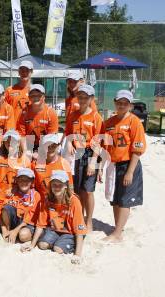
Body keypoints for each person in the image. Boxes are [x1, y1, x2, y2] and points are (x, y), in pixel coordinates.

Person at [102, 90, 146, 243]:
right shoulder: (109, 122)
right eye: (119, 102)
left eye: (125, 103)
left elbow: (137, 149)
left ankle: (117, 233)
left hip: (128, 164)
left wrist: (130, 172)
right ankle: (117, 228)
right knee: (115, 198)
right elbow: (104, 146)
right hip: (113, 165)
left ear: (130, 105)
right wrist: (101, 167)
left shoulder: (134, 122)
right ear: (115, 102)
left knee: (125, 199)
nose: (121, 105)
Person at [64, 84, 103, 232]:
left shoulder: (95, 117)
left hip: (90, 153)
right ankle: (79, 216)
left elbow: (99, 141)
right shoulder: (73, 115)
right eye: (80, 96)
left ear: (91, 99)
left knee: (88, 190)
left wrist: (93, 162)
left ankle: (89, 220)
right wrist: (68, 143)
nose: (82, 99)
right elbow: (68, 133)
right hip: (76, 154)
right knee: (78, 189)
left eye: (85, 97)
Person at [29, 170, 87, 265]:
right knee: (42, 245)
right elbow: (40, 224)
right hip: (54, 229)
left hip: (71, 231)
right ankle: (58, 241)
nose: (56, 187)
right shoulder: (48, 199)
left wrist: (77, 254)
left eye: (60, 184)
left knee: (58, 249)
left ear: (65, 186)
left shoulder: (74, 201)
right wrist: (32, 245)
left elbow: (79, 228)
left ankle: (66, 243)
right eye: (54, 185)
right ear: (50, 186)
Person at [0, 130, 30, 222]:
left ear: (18, 143)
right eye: (7, 140)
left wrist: (14, 189)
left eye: (13, 141)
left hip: (17, 197)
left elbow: (29, 183)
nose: (10, 143)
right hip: (1, 195)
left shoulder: (24, 161)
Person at [0, 168, 42, 244]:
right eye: (21, 180)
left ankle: (19, 233)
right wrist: (4, 231)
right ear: (17, 181)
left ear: (31, 181)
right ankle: (9, 232)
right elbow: (2, 211)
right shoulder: (12, 192)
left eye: (27, 180)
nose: (23, 182)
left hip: (28, 223)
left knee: (23, 236)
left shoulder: (36, 195)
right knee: (6, 208)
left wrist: (15, 231)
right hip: (16, 221)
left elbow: (30, 218)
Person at [17, 84, 59, 153]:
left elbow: (51, 137)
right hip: (28, 146)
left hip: (46, 147)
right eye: (33, 95)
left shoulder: (51, 113)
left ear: (44, 97)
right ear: (29, 98)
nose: (35, 98)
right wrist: (25, 151)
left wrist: (40, 152)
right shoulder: (24, 112)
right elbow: (22, 135)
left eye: (39, 95)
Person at [33, 134, 73, 199]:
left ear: (58, 146)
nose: (50, 148)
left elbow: (70, 188)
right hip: (41, 203)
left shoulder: (64, 164)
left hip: (59, 202)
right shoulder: (35, 163)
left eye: (54, 145)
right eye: (47, 145)